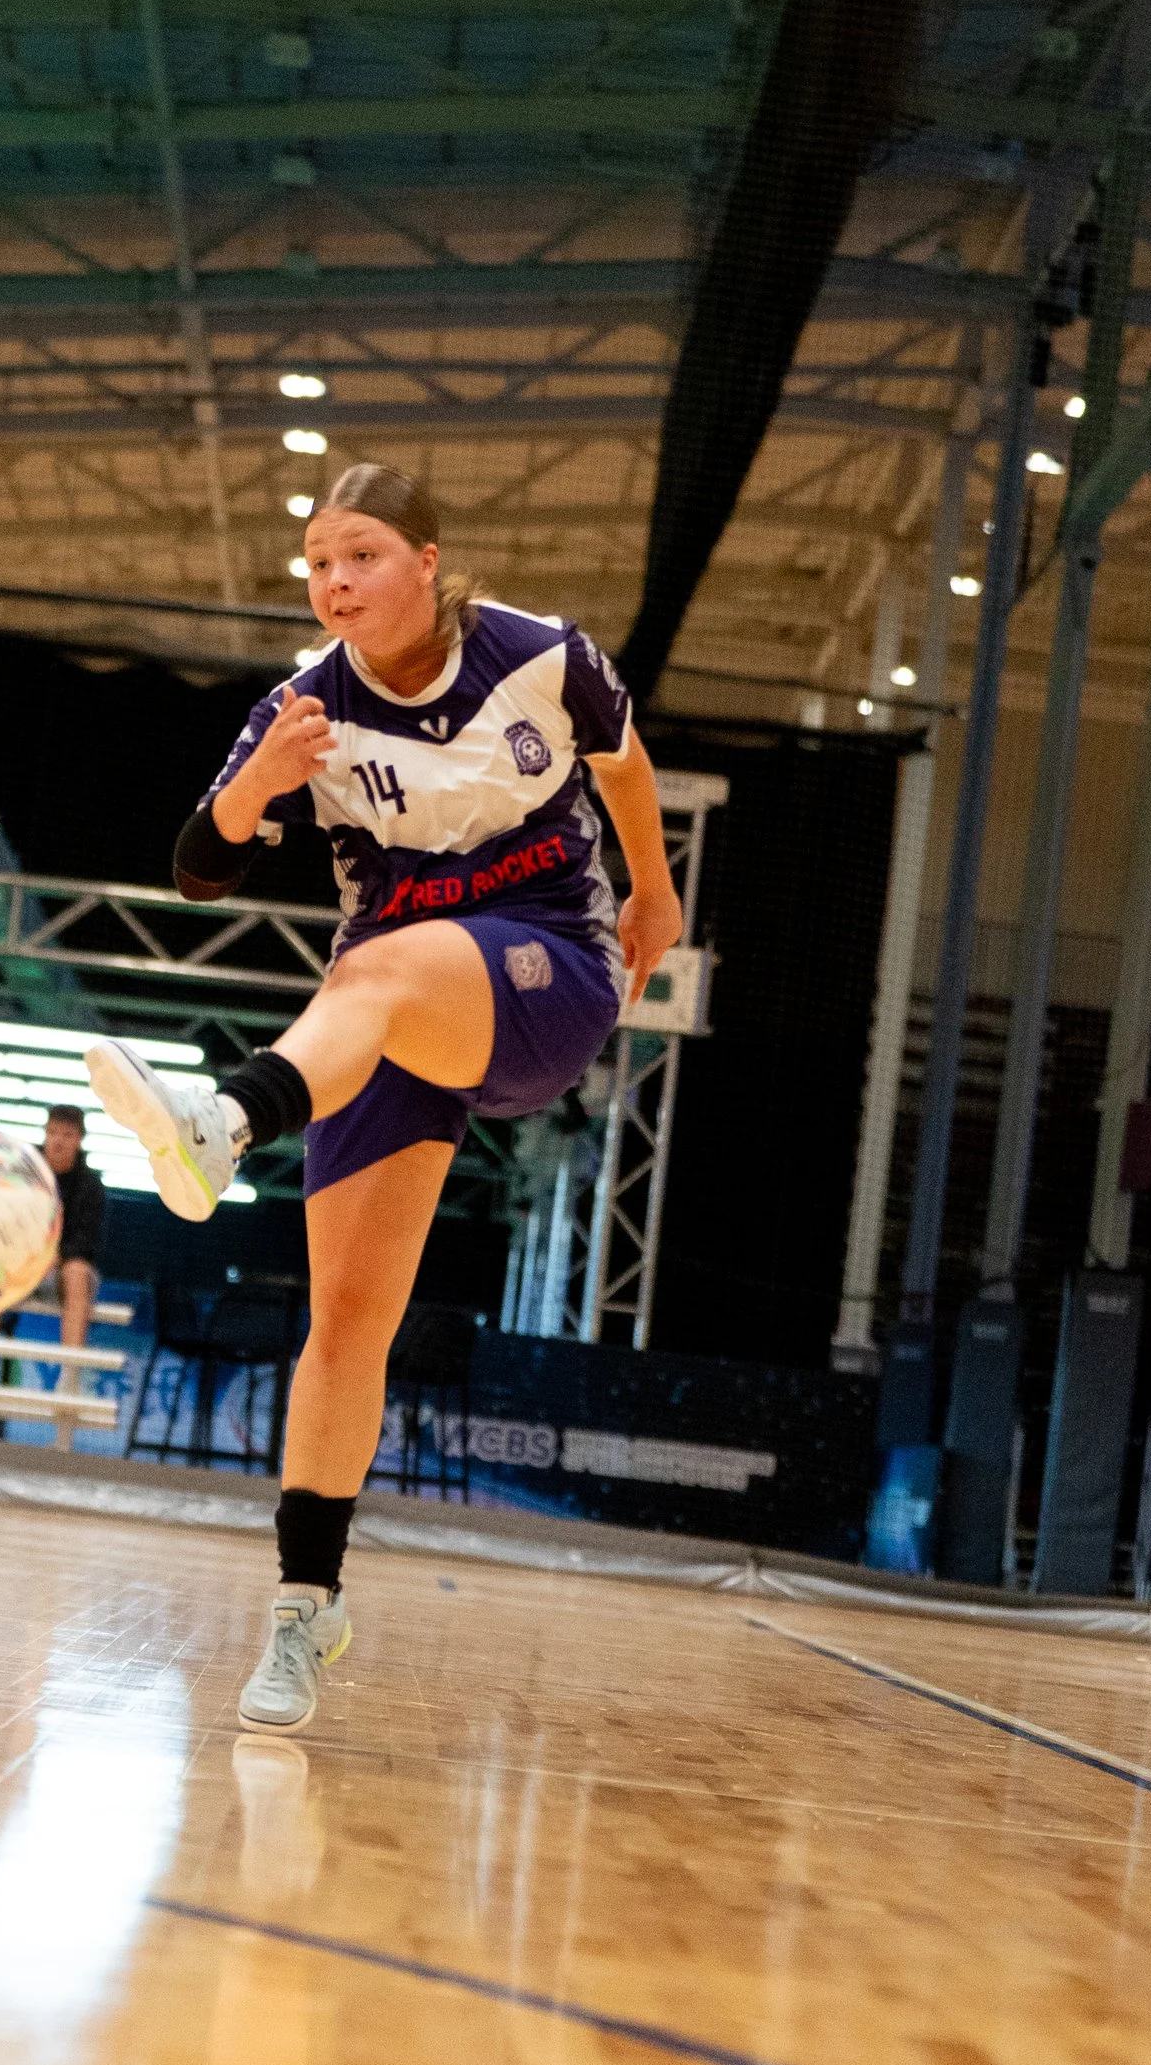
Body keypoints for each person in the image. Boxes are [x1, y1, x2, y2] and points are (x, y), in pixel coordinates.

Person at [83, 462, 679, 1736]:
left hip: (542, 975)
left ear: (425, 556)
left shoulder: (539, 657)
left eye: (356, 555)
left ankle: (227, 1119)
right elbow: (198, 867)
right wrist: (259, 785)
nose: (332, 582)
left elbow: (623, 764)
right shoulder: (303, 706)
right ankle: (306, 1611)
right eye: (313, 564)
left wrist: (656, 889)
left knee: (398, 958)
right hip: (371, 1030)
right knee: (345, 1327)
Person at [39, 1101, 106, 1446]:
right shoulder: (25, 1170)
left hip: (66, 1271)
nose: (57, 1142)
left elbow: (86, 1243)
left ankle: (70, 1372)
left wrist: (58, 1255)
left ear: (79, 1140)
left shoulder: (90, 1185)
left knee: (79, 1271)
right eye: (52, 1133)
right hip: (24, 1264)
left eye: (66, 1135)